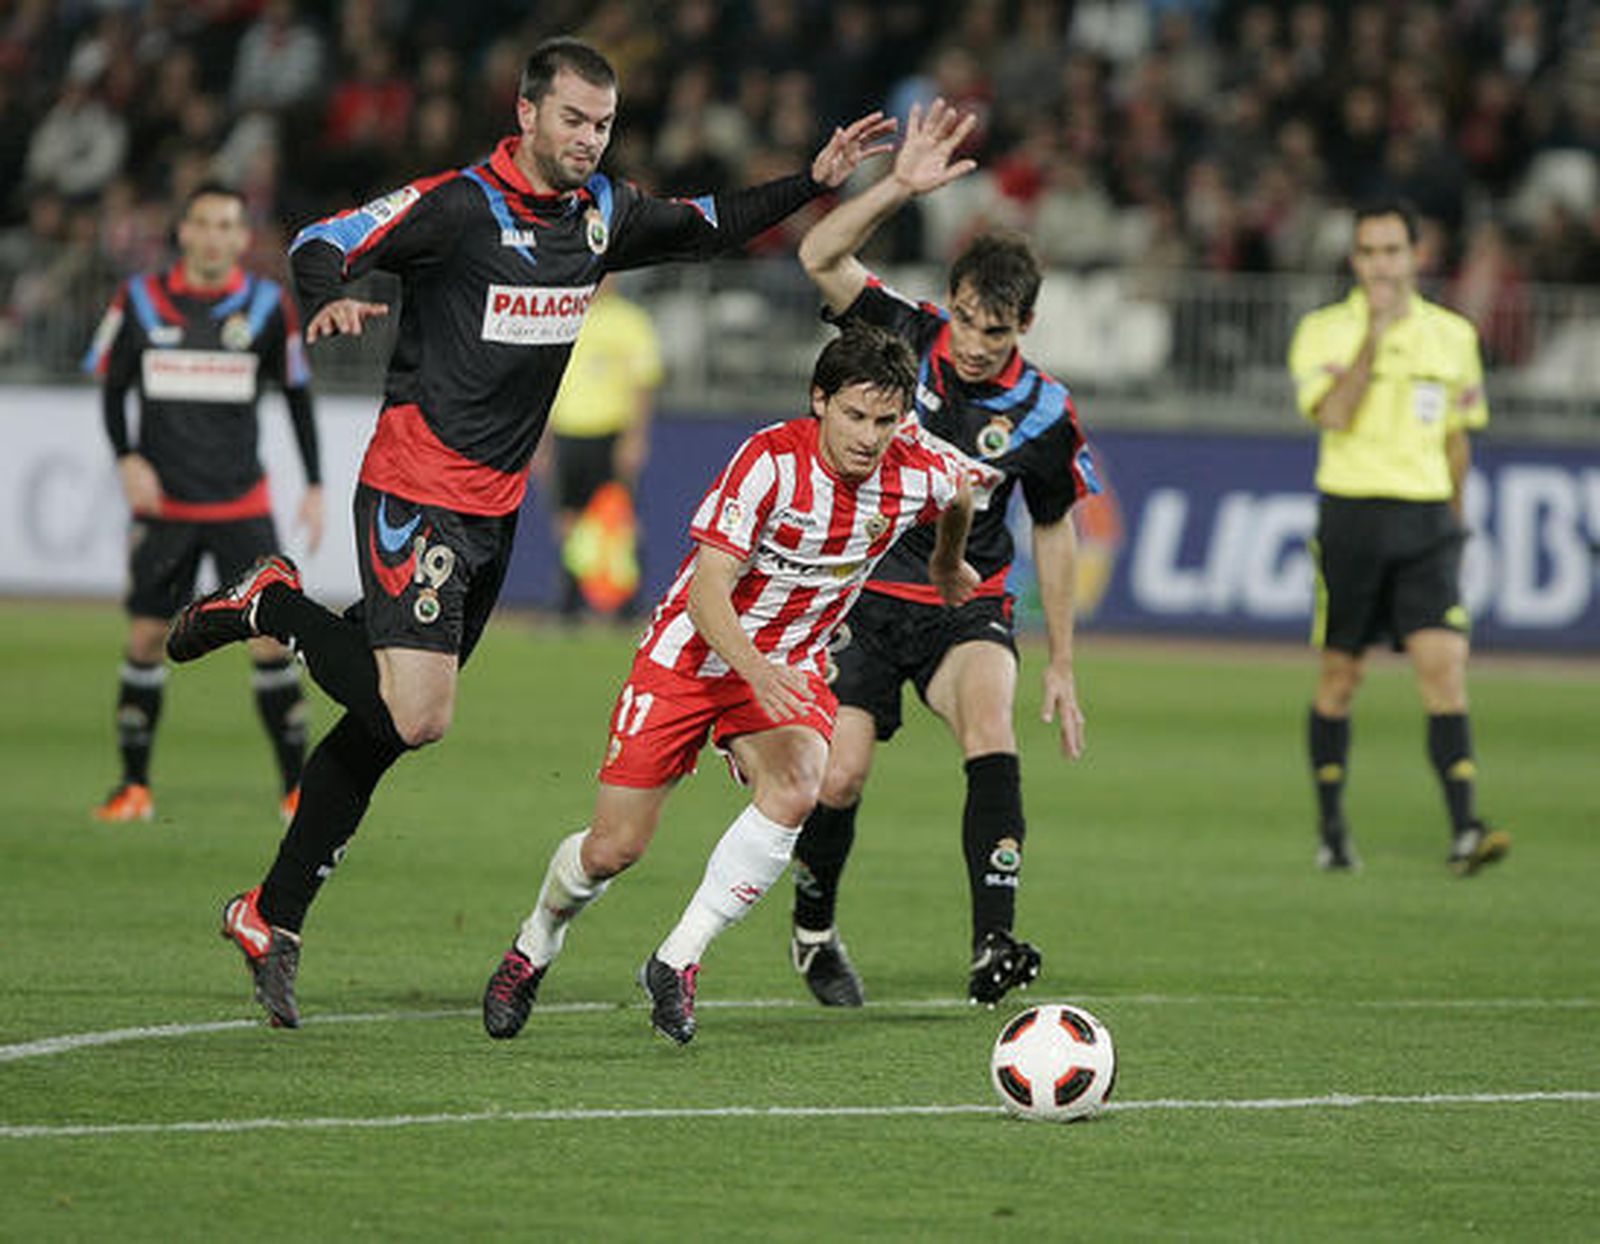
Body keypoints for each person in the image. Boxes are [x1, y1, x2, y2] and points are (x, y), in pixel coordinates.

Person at [165, 37, 896, 1029]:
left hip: (495, 510)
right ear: (527, 114)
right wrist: (329, 295)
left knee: (385, 727)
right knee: (419, 711)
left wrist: (808, 182)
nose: (589, 141)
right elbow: (319, 239)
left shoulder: (600, 216)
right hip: (416, 485)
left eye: (602, 124)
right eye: (573, 120)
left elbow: (706, 226)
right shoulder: (459, 206)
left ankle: (268, 914)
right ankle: (270, 599)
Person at [481, 324, 977, 1046]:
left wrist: (945, 560)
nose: (870, 437)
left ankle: (676, 959)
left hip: (790, 662)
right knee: (613, 849)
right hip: (690, 657)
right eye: (854, 416)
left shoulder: (918, 468)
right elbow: (707, 588)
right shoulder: (769, 462)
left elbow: (959, 492)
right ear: (820, 401)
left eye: (885, 420)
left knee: (804, 780)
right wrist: (754, 668)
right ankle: (534, 945)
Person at [786, 99, 1099, 1009]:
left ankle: (992, 946)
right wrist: (899, 185)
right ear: (949, 306)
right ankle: (814, 931)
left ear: (1025, 328)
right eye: (964, 319)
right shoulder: (906, 336)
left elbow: (1055, 527)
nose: (969, 343)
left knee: (991, 732)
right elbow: (818, 257)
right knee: (836, 776)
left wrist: (1064, 665)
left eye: (993, 331)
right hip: (865, 594)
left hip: (967, 601)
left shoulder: (1044, 413)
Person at [85, 180, 322, 825]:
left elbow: (298, 397)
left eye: (227, 226)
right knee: (144, 638)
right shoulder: (138, 300)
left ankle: (296, 790)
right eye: (203, 224)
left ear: (243, 240)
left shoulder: (269, 306)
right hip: (165, 507)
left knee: (271, 640)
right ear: (183, 232)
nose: (214, 236)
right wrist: (127, 457)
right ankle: (133, 787)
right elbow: (111, 388)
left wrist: (316, 486)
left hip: (242, 505)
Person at [1288, 197, 1509, 876]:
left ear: (1418, 256)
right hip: (1352, 515)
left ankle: (1466, 828)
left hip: (1425, 522)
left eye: (1393, 251)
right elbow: (1335, 414)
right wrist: (1375, 339)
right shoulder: (1325, 332)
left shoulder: (1454, 337)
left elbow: (1456, 440)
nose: (1381, 264)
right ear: (1355, 259)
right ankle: (1331, 830)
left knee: (1444, 669)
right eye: (1369, 252)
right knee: (1340, 677)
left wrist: (1457, 521)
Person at [543, 282, 662, 619]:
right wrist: (545, 440)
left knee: (618, 518)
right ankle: (570, 600)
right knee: (568, 521)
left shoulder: (629, 320)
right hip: (568, 429)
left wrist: (635, 437)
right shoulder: (565, 313)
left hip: (610, 429)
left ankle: (627, 604)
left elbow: (643, 382)